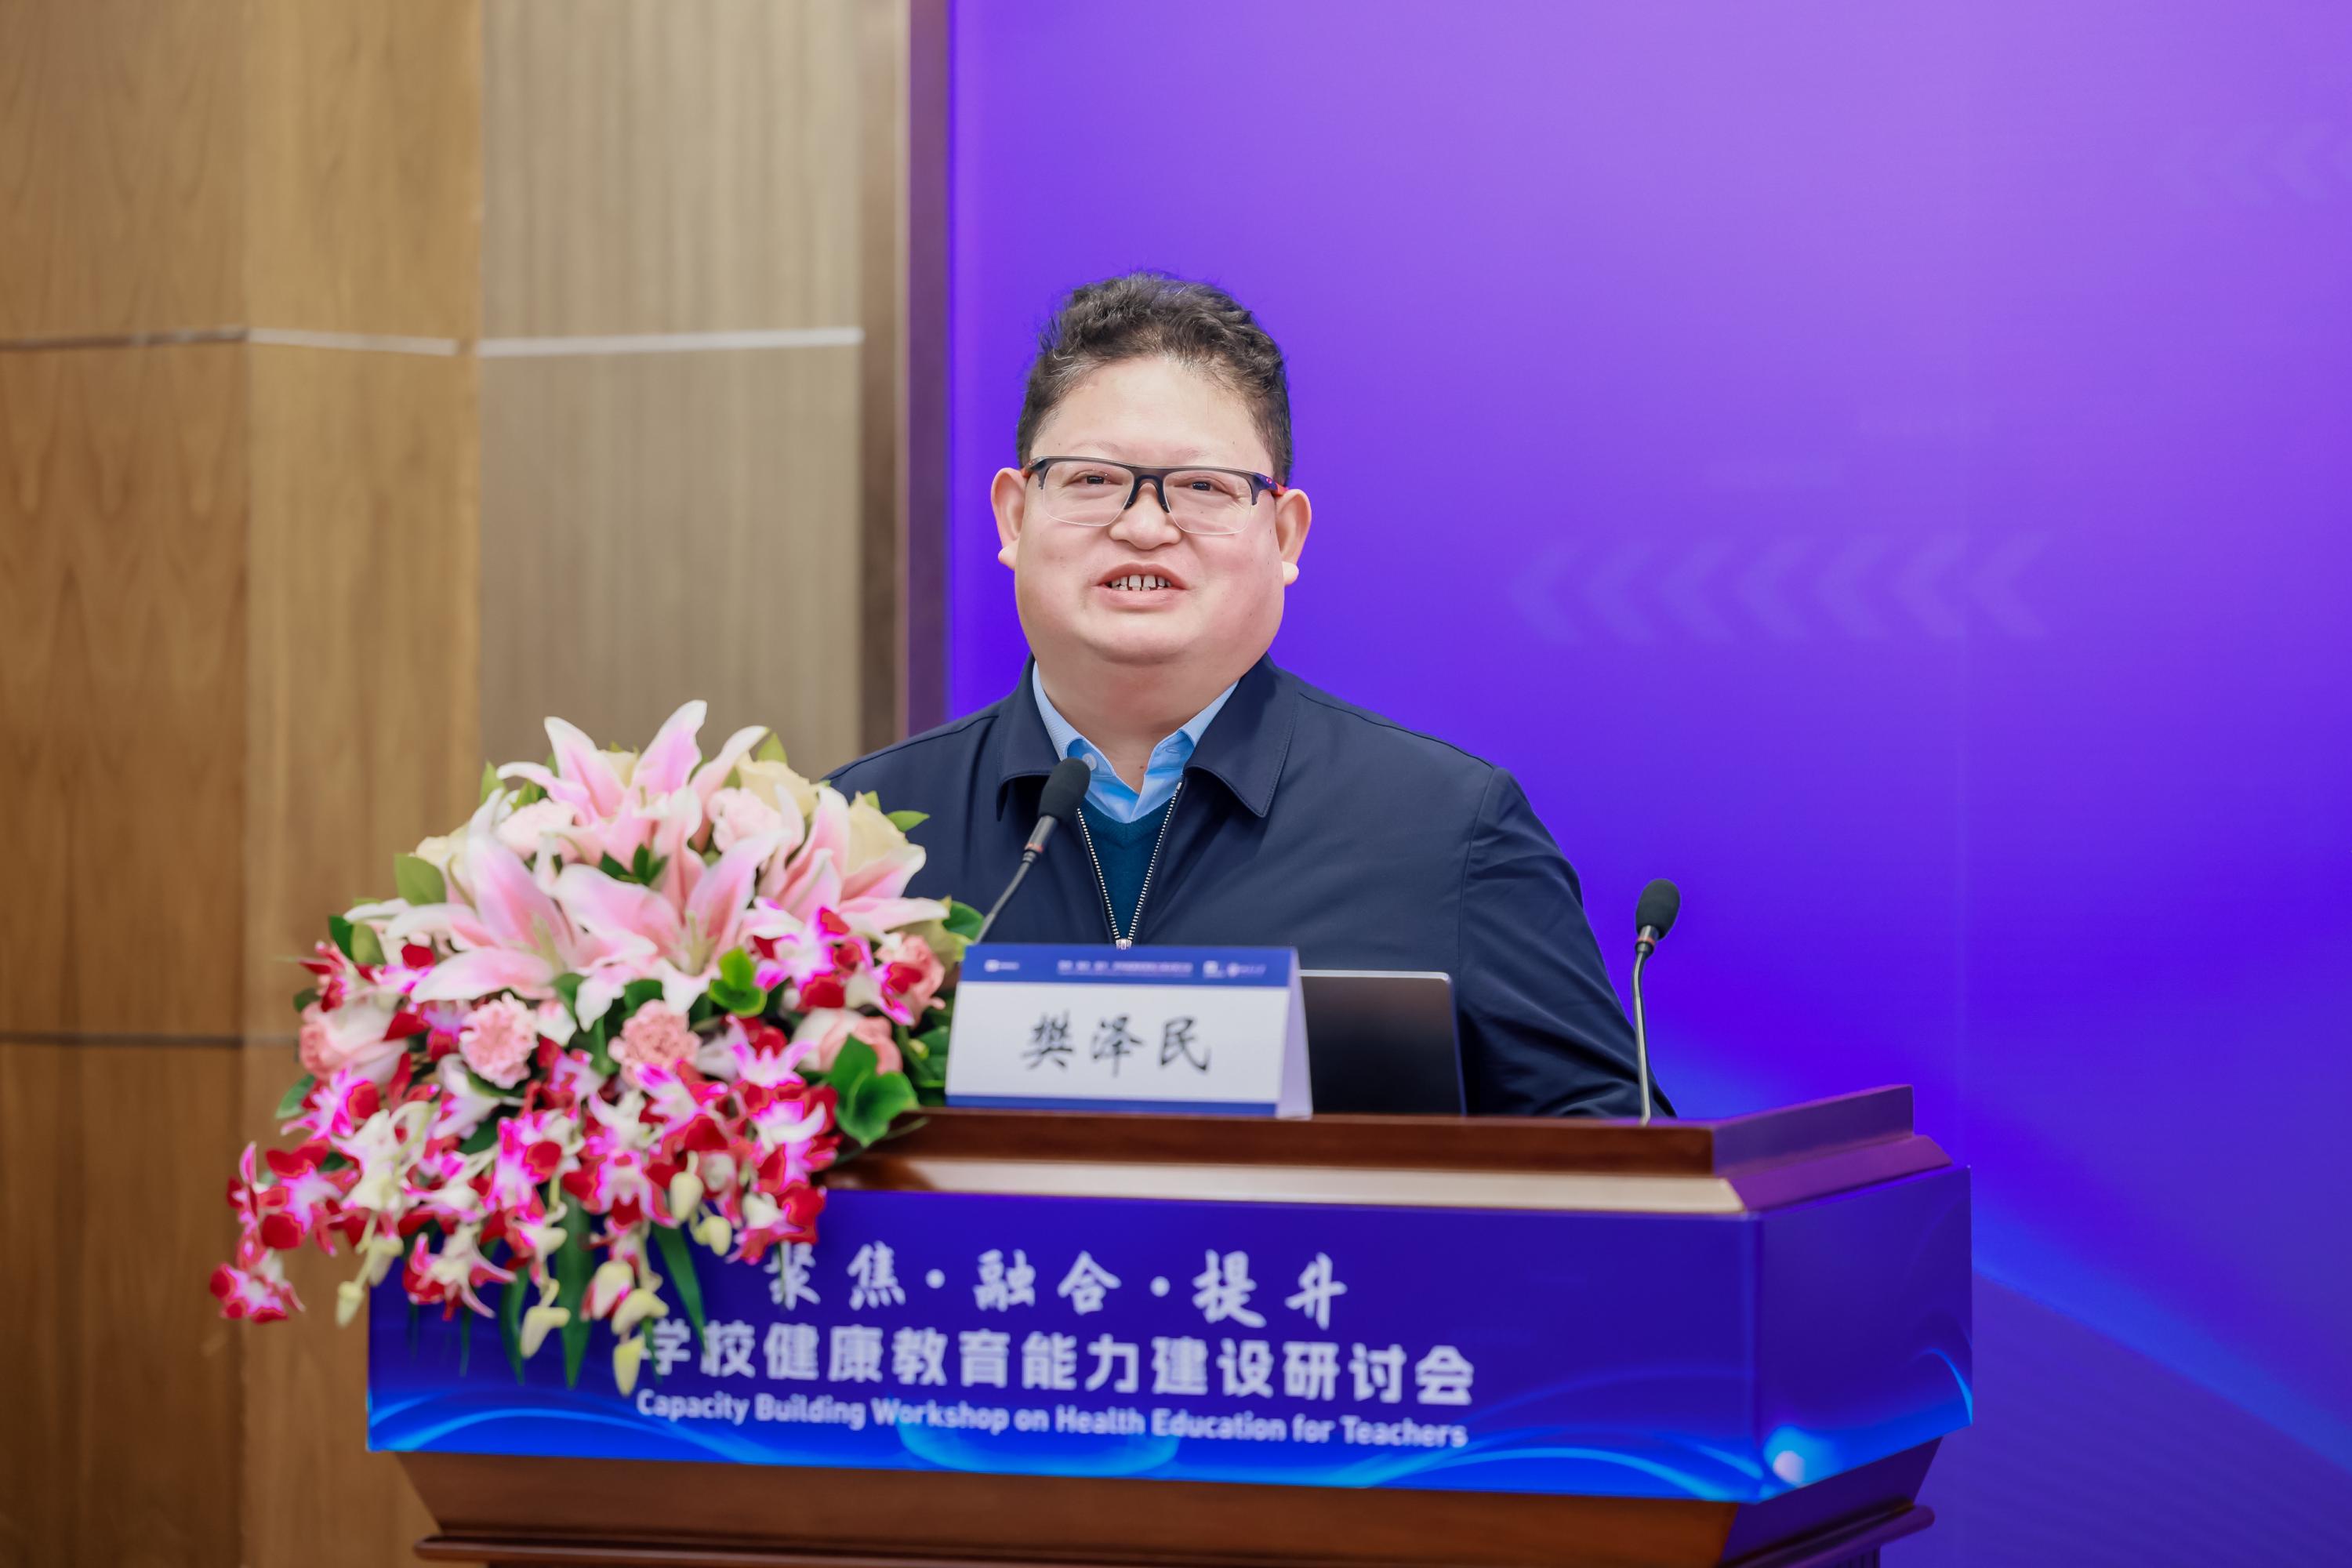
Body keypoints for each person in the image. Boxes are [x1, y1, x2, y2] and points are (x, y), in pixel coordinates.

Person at [831, 272, 1659, 1117]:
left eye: (1203, 487)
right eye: (1091, 480)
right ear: (1014, 516)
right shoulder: (855, 836)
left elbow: (1616, 1154)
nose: (1143, 526)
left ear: (1285, 534)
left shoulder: (1449, 830)